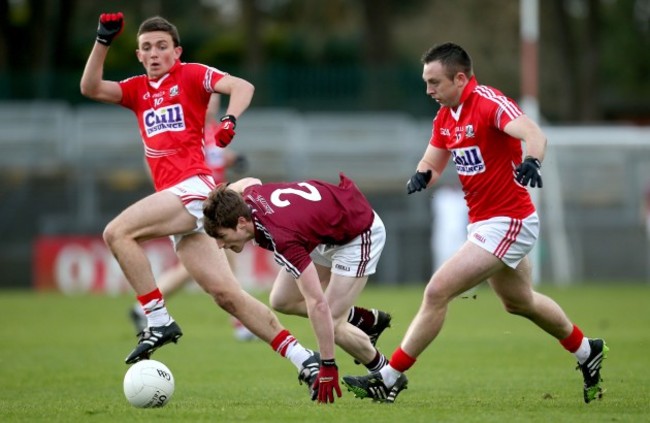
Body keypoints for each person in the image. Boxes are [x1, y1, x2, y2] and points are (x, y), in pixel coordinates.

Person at [80, 12, 330, 402]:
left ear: (176, 51)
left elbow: (241, 86)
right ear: (139, 55)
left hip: (194, 190)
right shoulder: (136, 90)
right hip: (182, 207)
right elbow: (90, 87)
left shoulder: (192, 75)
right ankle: (304, 359)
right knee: (229, 297)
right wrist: (102, 40)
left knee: (117, 232)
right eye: (146, 48)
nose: (154, 53)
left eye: (162, 46)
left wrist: (230, 118)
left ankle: (158, 320)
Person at [342, 42, 608, 404]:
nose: (428, 90)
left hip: (509, 221)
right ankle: (586, 349)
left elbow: (535, 134)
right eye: (426, 82)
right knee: (519, 302)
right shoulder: (445, 117)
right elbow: (433, 163)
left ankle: (389, 378)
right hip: (483, 224)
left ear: (460, 77)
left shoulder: (488, 102)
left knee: (437, 291)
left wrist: (533, 160)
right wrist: (421, 177)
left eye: (435, 82)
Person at [202, 173, 392, 403]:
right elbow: (250, 181)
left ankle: (387, 376)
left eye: (222, 236)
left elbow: (316, 302)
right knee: (282, 299)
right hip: (325, 232)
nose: (220, 245)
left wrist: (327, 365)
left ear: (241, 222)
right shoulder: (248, 199)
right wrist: (217, 199)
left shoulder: (282, 236)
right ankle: (363, 321)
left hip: (357, 232)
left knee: (330, 321)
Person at [128, 93, 257, 342]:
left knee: (207, 268)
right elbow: (160, 156)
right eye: (208, 98)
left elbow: (213, 159)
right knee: (211, 269)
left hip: (216, 208)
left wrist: (232, 158)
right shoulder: (187, 126)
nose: (212, 103)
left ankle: (144, 308)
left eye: (215, 99)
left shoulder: (212, 130)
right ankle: (243, 325)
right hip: (197, 208)